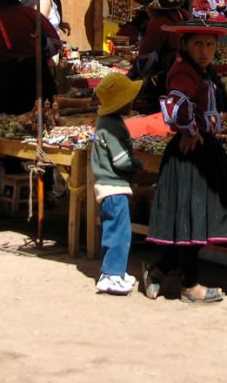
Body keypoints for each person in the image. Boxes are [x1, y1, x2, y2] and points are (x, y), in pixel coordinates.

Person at [143, 19, 227, 303]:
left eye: (210, 44)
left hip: (205, 151)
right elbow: (175, 103)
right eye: (198, 44)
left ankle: (159, 271)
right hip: (191, 156)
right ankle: (189, 285)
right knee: (191, 217)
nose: (204, 50)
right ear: (186, 44)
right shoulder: (183, 72)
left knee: (194, 219)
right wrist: (189, 129)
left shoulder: (202, 71)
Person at [91, 72, 144, 295]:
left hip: (109, 187)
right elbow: (121, 160)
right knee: (119, 233)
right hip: (113, 187)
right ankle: (111, 275)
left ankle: (114, 272)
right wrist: (138, 164)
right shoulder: (111, 126)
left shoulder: (108, 122)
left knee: (113, 230)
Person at [128, 0, 189, 112]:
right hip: (186, 72)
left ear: (154, 8)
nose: (146, 10)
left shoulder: (158, 25)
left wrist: (131, 76)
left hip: (166, 77)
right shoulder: (183, 16)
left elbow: (146, 60)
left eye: (148, 6)